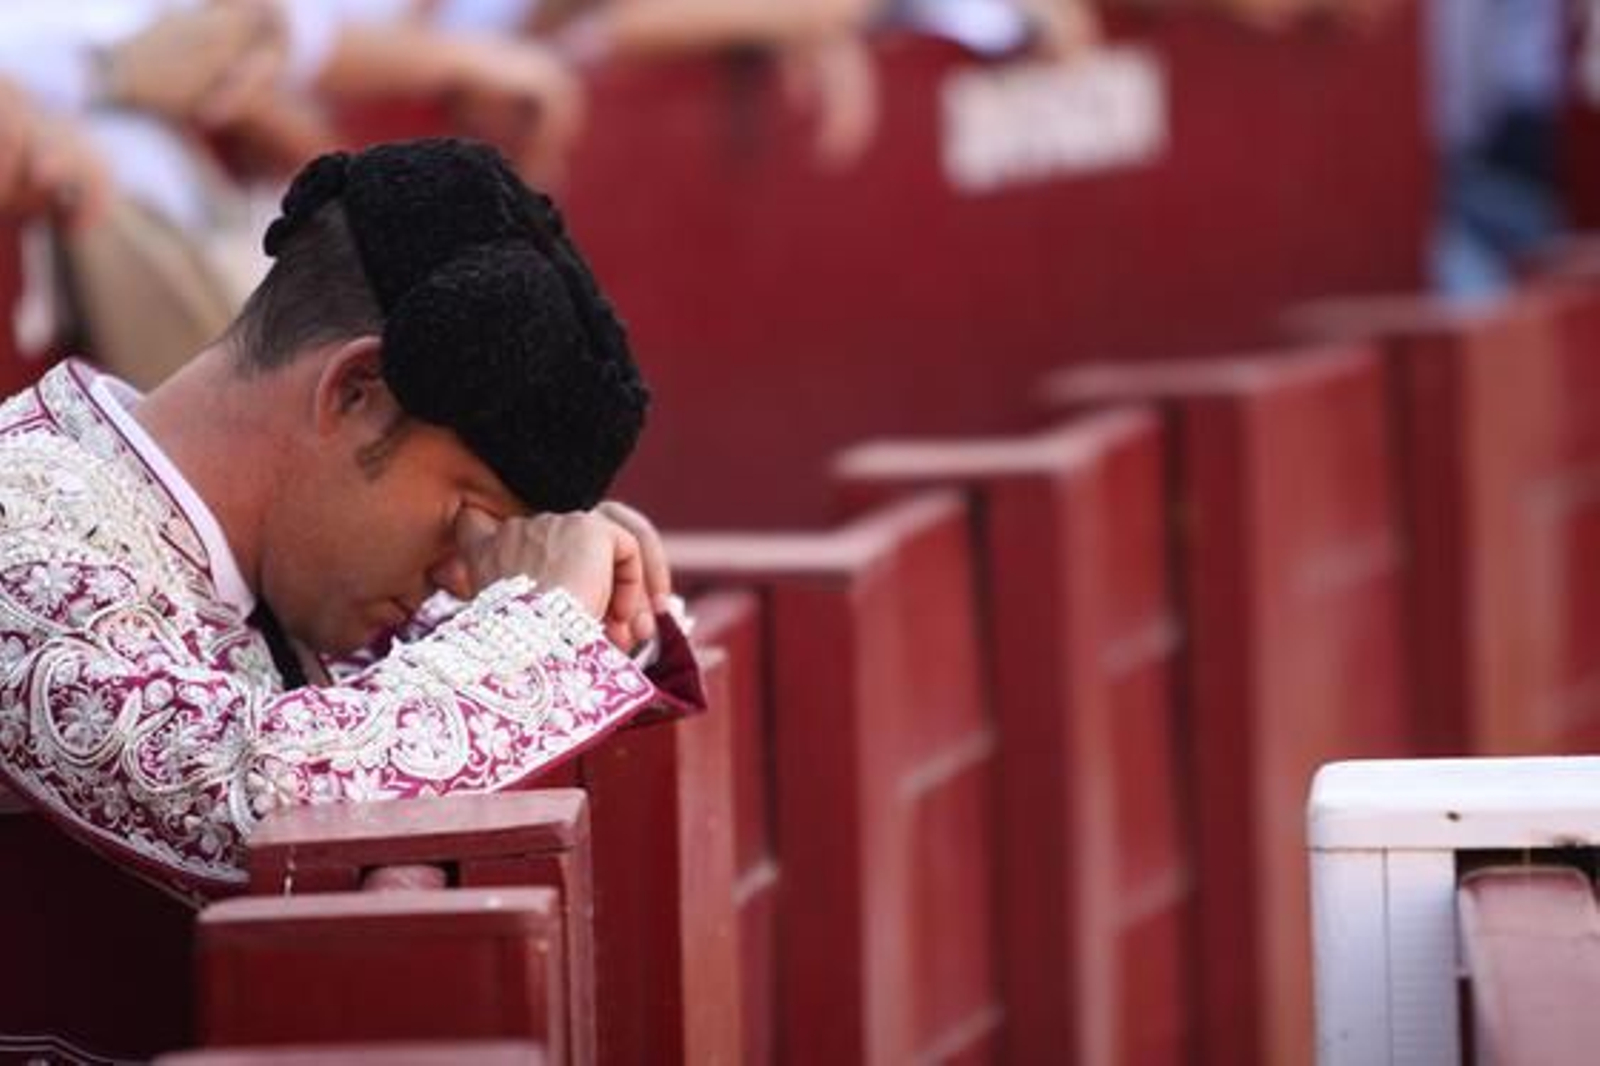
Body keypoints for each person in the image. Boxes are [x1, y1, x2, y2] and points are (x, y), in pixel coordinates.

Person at [0, 136, 702, 907]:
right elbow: (255, 809)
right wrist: (544, 622)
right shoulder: (21, 524)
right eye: (465, 514)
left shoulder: (302, 572)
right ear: (355, 389)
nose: (463, 574)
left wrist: (592, 602)